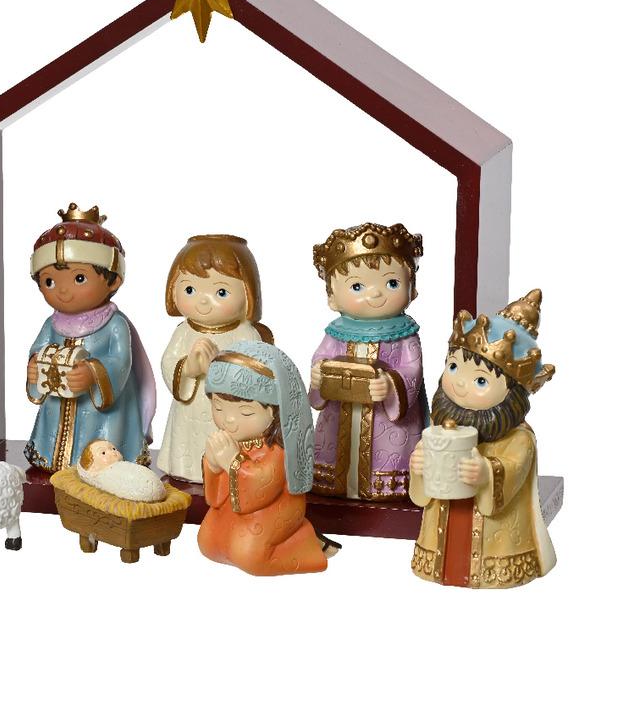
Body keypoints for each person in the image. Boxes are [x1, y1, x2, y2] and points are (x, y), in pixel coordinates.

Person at [409, 290, 556, 588]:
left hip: (495, 542)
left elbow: (513, 469)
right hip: (443, 527)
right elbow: (422, 485)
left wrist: (487, 473)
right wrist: (419, 465)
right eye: (453, 367)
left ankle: (491, 571)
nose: (460, 385)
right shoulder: (441, 425)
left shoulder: (519, 439)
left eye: (480, 380)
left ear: (512, 393)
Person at [24, 203, 155, 472]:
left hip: (104, 414)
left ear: (113, 281)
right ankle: (50, 456)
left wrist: (94, 373)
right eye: (49, 281)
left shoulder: (114, 324)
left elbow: (120, 361)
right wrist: (35, 365)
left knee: (104, 441)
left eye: (79, 278)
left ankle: (104, 465)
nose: (63, 291)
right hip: (57, 403)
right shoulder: (52, 323)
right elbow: (39, 348)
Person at [309, 222, 426, 500]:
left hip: (387, 423)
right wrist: (318, 374)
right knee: (334, 444)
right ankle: (332, 479)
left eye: (392, 283)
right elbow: (321, 357)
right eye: (357, 286)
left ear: (412, 290)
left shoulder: (405, 335)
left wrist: (390, 385)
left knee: (387, 449)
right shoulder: (336, 333)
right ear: (332, 298)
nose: (375, 293)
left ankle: (384, 483)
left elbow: (412, 370)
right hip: (339, 413)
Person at [197, 340, 329, 576]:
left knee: (249, 556)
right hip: (235, 508)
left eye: (246, 412)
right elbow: (215, 496)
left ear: (274, 412)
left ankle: (306, 544)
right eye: (218, 408)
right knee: (207, 541)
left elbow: (263, 485)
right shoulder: (233, 439)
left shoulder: (277, 450)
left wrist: (232, 462)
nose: (229, 420)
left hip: (272, 508)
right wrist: (213, 465)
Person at [159, 234, 273, 482]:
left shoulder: (246, 334)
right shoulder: (183, 332)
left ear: (248, 294)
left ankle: (228, 472)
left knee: (224, 442)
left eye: (221, 292)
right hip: (189, 409)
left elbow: (257, 377)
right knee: (188, 443)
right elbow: (168, 363)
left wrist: (220, 370)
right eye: (190, 289)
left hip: (227, 413)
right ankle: (186, 469)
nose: (203, 301)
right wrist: (188, 368)